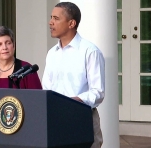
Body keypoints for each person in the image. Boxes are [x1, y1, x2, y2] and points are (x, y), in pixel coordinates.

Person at [42, 2, 105, 148]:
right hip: (56, 121)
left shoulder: (90, 51)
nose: (50, 22)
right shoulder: (52, 53)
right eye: (51, 17)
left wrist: (72, 102)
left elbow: (98, 92)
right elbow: (47, 88)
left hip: (82, 119)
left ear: (71, 23)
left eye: (56, 18)